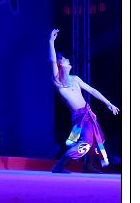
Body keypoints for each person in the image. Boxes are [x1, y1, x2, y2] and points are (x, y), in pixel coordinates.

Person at [48, 29, 119, 173]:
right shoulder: (58, 82)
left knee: (95, 141)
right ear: (61, 64)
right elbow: (52, 61)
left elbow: (92, 90)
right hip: (79, 116)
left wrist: (109, 103)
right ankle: (59, 166)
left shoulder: (75, 79)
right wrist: (51, 41)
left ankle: (88, 166)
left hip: (88, 112)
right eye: (65, 59)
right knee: (85, 143)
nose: (68, 60)